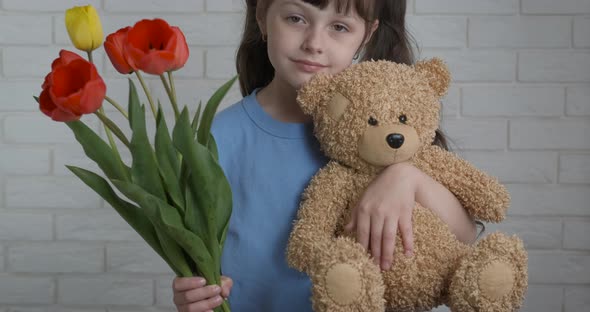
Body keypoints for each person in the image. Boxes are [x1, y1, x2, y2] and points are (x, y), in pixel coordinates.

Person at [172, 0, 478, 311]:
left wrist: (406, 178)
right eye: (295, 18)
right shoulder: (215, 138)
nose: (314, 43)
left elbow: (464, 237)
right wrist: (196, 294)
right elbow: (200, 258)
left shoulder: (393, 132)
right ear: (263, 18)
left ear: (367, 35)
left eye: (340, 27)